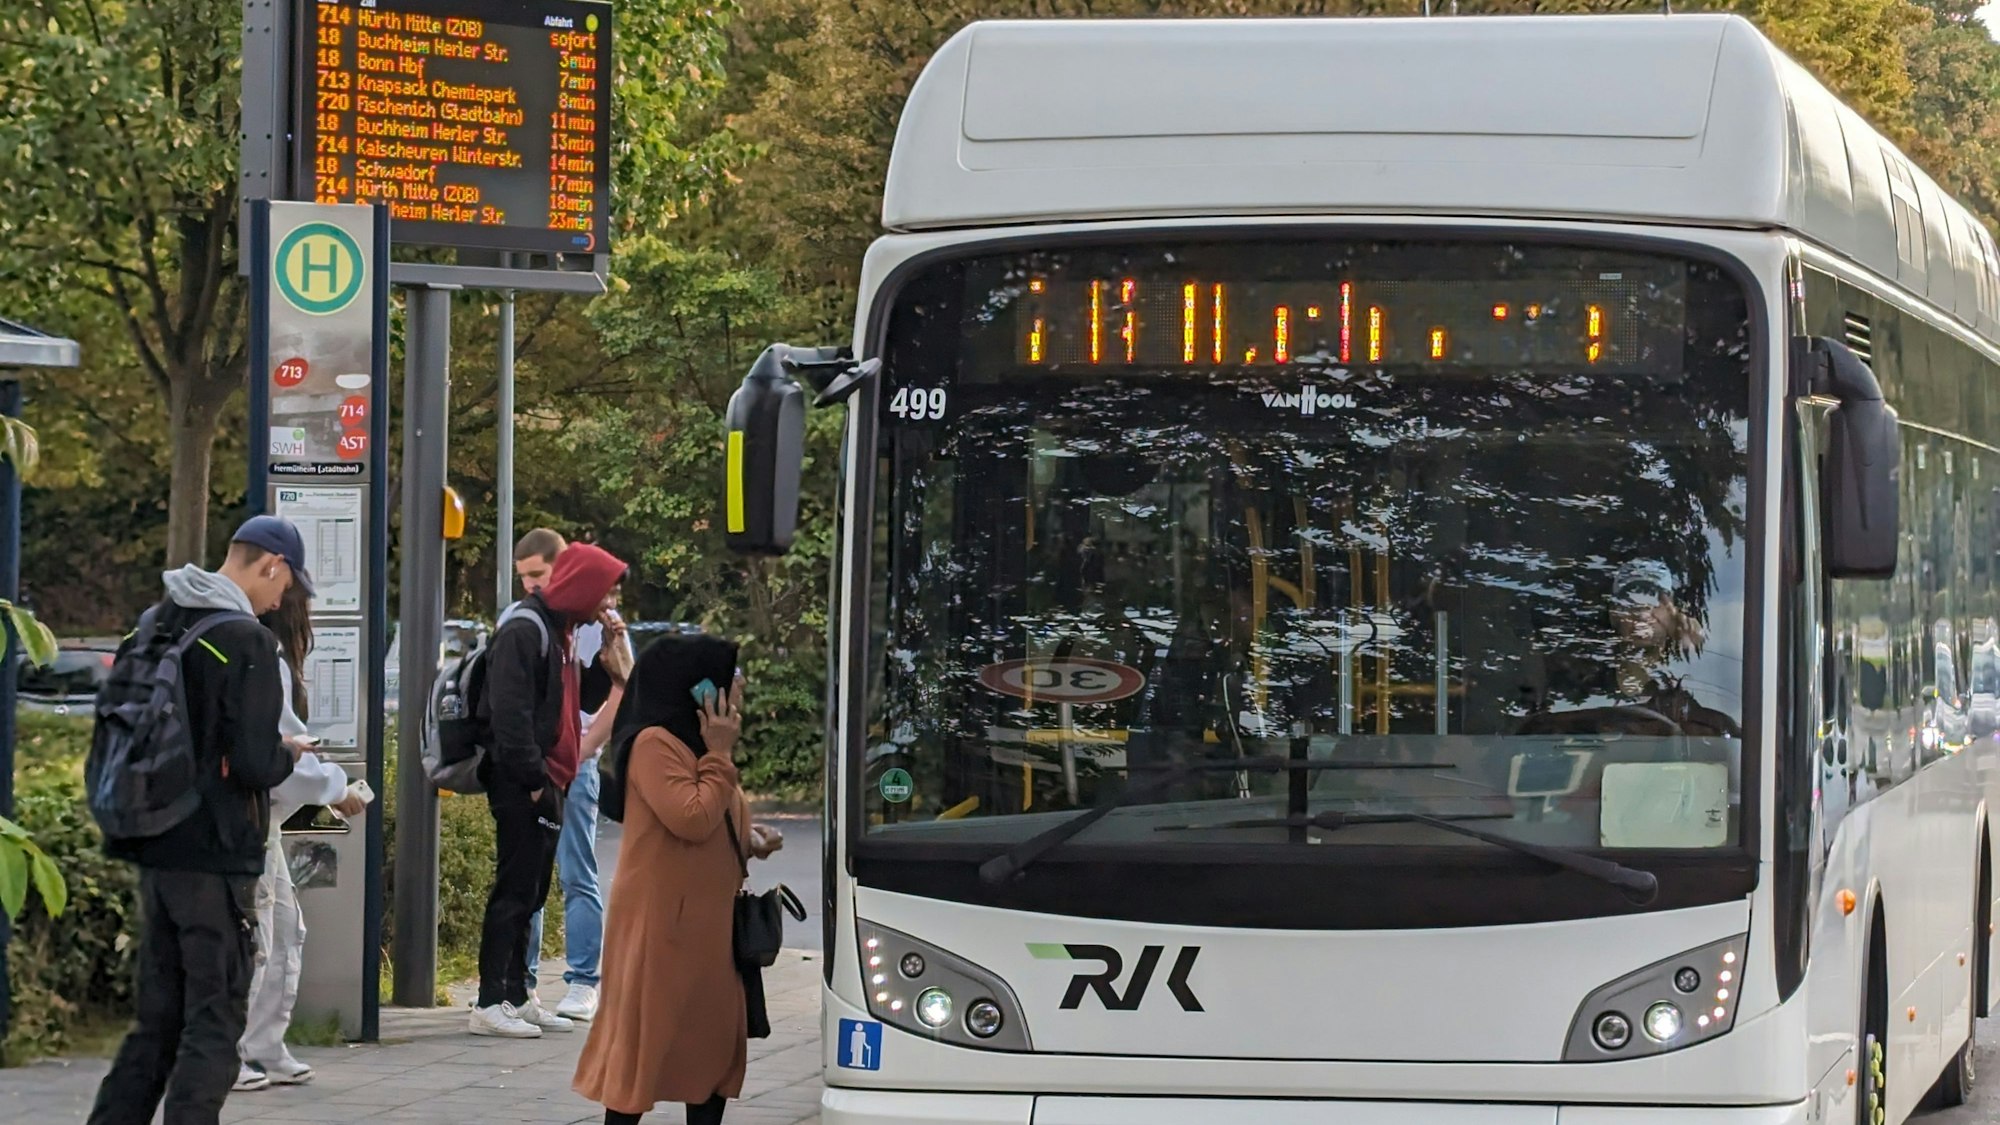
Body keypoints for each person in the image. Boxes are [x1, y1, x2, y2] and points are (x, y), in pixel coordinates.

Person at [87, 516, 308, 1125]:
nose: (281, 601)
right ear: (273, 566)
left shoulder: (156, 622)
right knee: (215, 1019)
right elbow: (258, 764)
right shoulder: (246, 640)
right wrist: (290, 751)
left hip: (155, 845)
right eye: (284, 586)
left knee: (157, 1021)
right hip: (215, 855)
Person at [573, 634, 782, 1125]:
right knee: (646, 1049)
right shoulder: (655, 744)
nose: (740, 686)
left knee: (709, 1050)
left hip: (706, 932)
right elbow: (690, 817)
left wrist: (750, 839)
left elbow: (709, 818)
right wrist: (721, 755)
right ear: (697, 691)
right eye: (729, 678)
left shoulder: (696, 747)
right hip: (663, 929)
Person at [472, 542, 629, 1038]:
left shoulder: (561, 630)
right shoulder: (526, 628)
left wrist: (609, 667)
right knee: (514, 890)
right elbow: (510, 714)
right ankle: (488, 1001)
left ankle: (518, 995)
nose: (607, 604)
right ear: (581, 588)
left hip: (550, 779)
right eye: (604, 594)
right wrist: (536, 783)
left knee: (532, 891)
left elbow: (573, 699)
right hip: (526, 781)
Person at [234, 583, 366, 1092]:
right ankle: (234, 1051)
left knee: (286, 931)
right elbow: (283, 754)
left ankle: (265, 1044)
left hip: (264, 815)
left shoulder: (267, 659)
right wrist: (333, 789)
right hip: (254, 816)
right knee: (261, 937)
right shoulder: (269, 660)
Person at [513, 528, 631, 1022]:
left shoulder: (597, 623)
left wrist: (584, 748)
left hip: (575, 761)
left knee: (575, 871)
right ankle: (522, 983)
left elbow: (623, 689)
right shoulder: (534, 619)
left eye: (539, 575)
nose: (531, 587)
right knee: (529, 876)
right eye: (524, 578)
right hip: (542, 760)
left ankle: (584, 981)